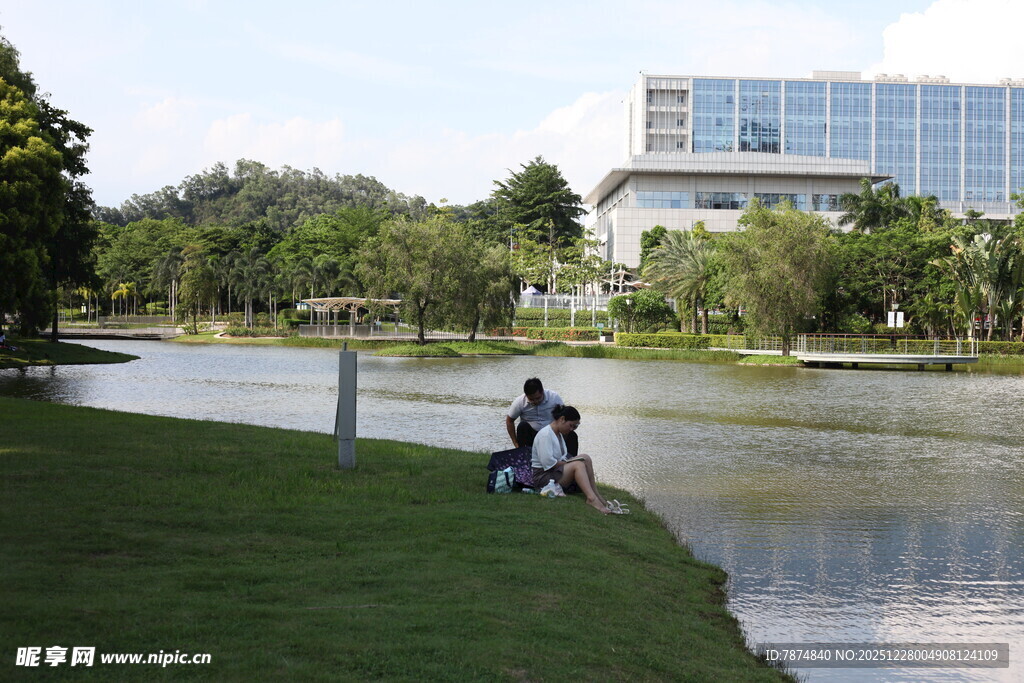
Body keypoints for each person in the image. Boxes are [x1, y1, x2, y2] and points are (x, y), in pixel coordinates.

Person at [531, 405, 614, 514]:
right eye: (570, 425)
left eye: (574, 427)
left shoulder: (558, 434)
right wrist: (570, 462)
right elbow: (548, 464)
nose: (571, 429)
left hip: (555, 473)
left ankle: (596, 495)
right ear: (562, 419)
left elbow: (562, 458)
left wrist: (572, 461)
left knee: (585, 458)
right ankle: (591, 499)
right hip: (544, 478)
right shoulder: (545, 435)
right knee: (578, 465)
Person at [505, 377, 578, 456]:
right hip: (531, 435)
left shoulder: (554, 398)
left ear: (542, 391)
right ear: (526, 395)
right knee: (522, 426)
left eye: (538, 398)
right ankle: (524, 455)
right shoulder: (519, 402)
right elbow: (509, 421)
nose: (535, 401)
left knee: (572, 434)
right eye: (531, 399)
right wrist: (515, 443)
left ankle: (571, 461)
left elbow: (563, 418)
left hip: (551, 434)